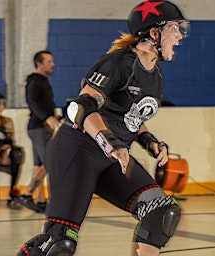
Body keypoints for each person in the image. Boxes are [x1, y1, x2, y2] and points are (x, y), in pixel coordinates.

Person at [17, 1, 189, 255]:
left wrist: (149, 140)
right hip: (77, 151)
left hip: (112, 157)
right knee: (59, 242)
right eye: (174, 28)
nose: (179, 36)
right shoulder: (119, 62)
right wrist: (112, 143)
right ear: (154, 33)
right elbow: (82, 107)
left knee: (161, 211)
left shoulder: (155, 74)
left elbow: (129, 115)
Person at [18, 50, 60, 213]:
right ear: (39, 64)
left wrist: (55, 117)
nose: (53, 64)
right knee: (49, 162)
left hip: (40, 127)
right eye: (49, 61)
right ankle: (27, 194)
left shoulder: (43, 81)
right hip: (38, 128)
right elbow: (33, 103)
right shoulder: (34, 82)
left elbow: (44, 104)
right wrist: (47, 118)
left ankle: (41, 200)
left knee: (39, 165)